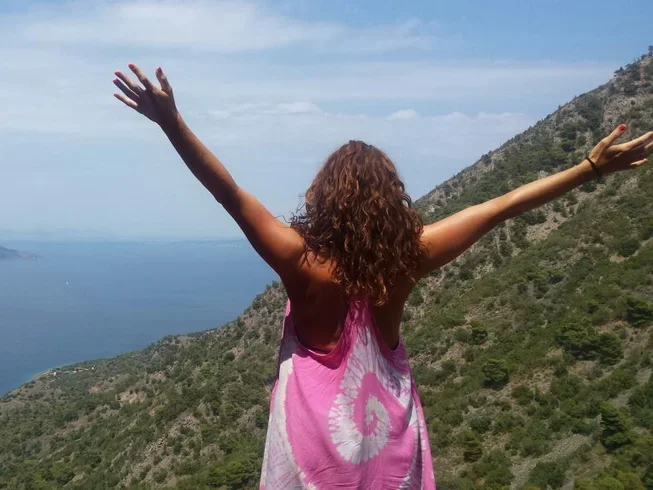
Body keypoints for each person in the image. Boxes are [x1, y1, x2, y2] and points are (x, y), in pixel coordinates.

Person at [113, 64, 653, 489]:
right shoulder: (408, 258)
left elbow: (227, 192)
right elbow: (501, 206)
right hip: (385, 447)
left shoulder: (298, 258)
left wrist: (173, 124)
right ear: (390, 197)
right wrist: (589, 168)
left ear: (321, 195)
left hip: (310, 449)